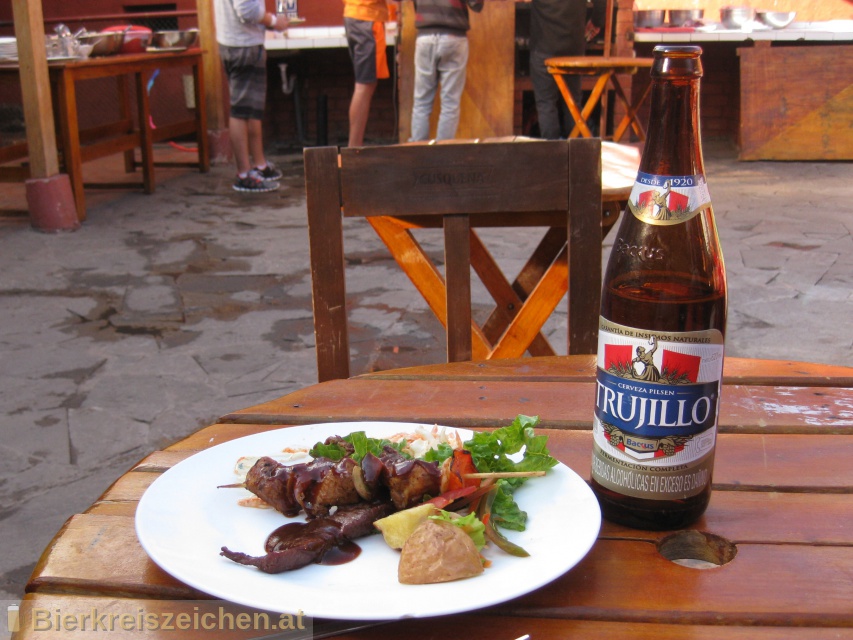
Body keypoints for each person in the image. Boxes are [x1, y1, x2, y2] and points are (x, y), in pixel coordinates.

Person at [213, 0, 287, 192]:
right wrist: (273, 21)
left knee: (251, 110)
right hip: (243, 45)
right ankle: (244, 174)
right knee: (241, 111)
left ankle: (259, 166)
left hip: (234, 42)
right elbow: (247, 9)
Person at [408, 0, 483, 142]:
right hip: (454, 37)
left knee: (421, 102)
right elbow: (477, 4)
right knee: (450, 103)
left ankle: (417, 154)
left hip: (425, 37)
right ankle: (443, 155)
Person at [528, 0, 594, 140]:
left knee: (546, 104)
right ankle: (576, 152)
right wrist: (597, 21)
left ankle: (553, 154)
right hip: (573, 46)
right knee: (573, 103)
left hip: (543, 45)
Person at [343, 0, 393, 147]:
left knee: (365, 85)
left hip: (355, 15)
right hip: (367, 19)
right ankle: (353, 150)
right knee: (364, 86)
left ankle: (354, 148)